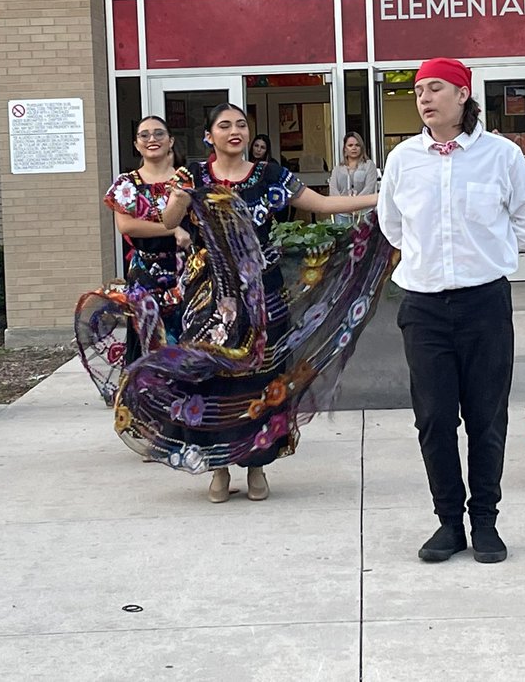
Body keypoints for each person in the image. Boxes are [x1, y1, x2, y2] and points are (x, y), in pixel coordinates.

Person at [119, 104, 382, 504]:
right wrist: (178, 197)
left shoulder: (270, 175)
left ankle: (257, 465)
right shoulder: (193, 174)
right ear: (210, 136)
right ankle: (218, 468)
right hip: (209, 296)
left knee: (262, 379)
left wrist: (384, 197)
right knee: (210, 379)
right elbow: (170, 221)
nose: (234, 131)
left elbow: (324, 205)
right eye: (224, 126)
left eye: (241, 124)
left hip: (263, 294)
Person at [377, 57, 525, 565]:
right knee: (433, 419)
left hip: (484, 305)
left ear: (462, 94)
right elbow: (392, 225)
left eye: (435, 88)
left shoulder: (500, 155)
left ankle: (486, 522)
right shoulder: (405, 159)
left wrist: (493, 253)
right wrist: (430, 259)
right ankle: (448, 522)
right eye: (418, 92)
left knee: (486, 419)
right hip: (424, 306)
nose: (425, 99)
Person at [75, 116, 190, 405]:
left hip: (188, 271)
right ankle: (151, 418)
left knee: (190, 340)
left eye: (159, 133)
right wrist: (172, 227)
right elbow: (127, 226)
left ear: (171, 140)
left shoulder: (187, 179)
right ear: (137, 144)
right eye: (144, 135)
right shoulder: (127, 184)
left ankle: (189, 419)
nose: (152, 139)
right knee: (148, 343)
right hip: (146, 273)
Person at [329, 131, 378, 225]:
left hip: (364, 213)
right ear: (345, 149)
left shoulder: (369, 165)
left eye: (357, 145)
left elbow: (369, 188)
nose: (354, 148)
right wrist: (345, 206)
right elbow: (333, 190)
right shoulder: (337, 168)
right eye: (350, 145)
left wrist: (355, 205)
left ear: (361, 148)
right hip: (342, 214)